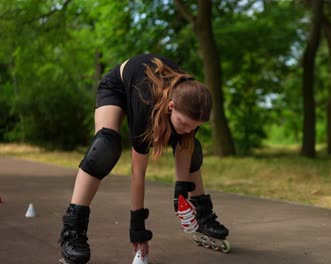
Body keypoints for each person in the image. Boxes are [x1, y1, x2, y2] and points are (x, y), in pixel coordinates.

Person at [58, 54, 229, 264]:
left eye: (194, 126)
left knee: (194, 149)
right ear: (171, 107)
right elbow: (138, 173)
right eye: (185, 123)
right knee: (105, 148)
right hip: (118, 87)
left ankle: (203, 215)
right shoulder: (145, 106)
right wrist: (137, 228)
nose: (188, 130)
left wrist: (181, 195)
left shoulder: (193, 101)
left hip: (158, 96)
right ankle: (72, 231)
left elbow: (185, 146)